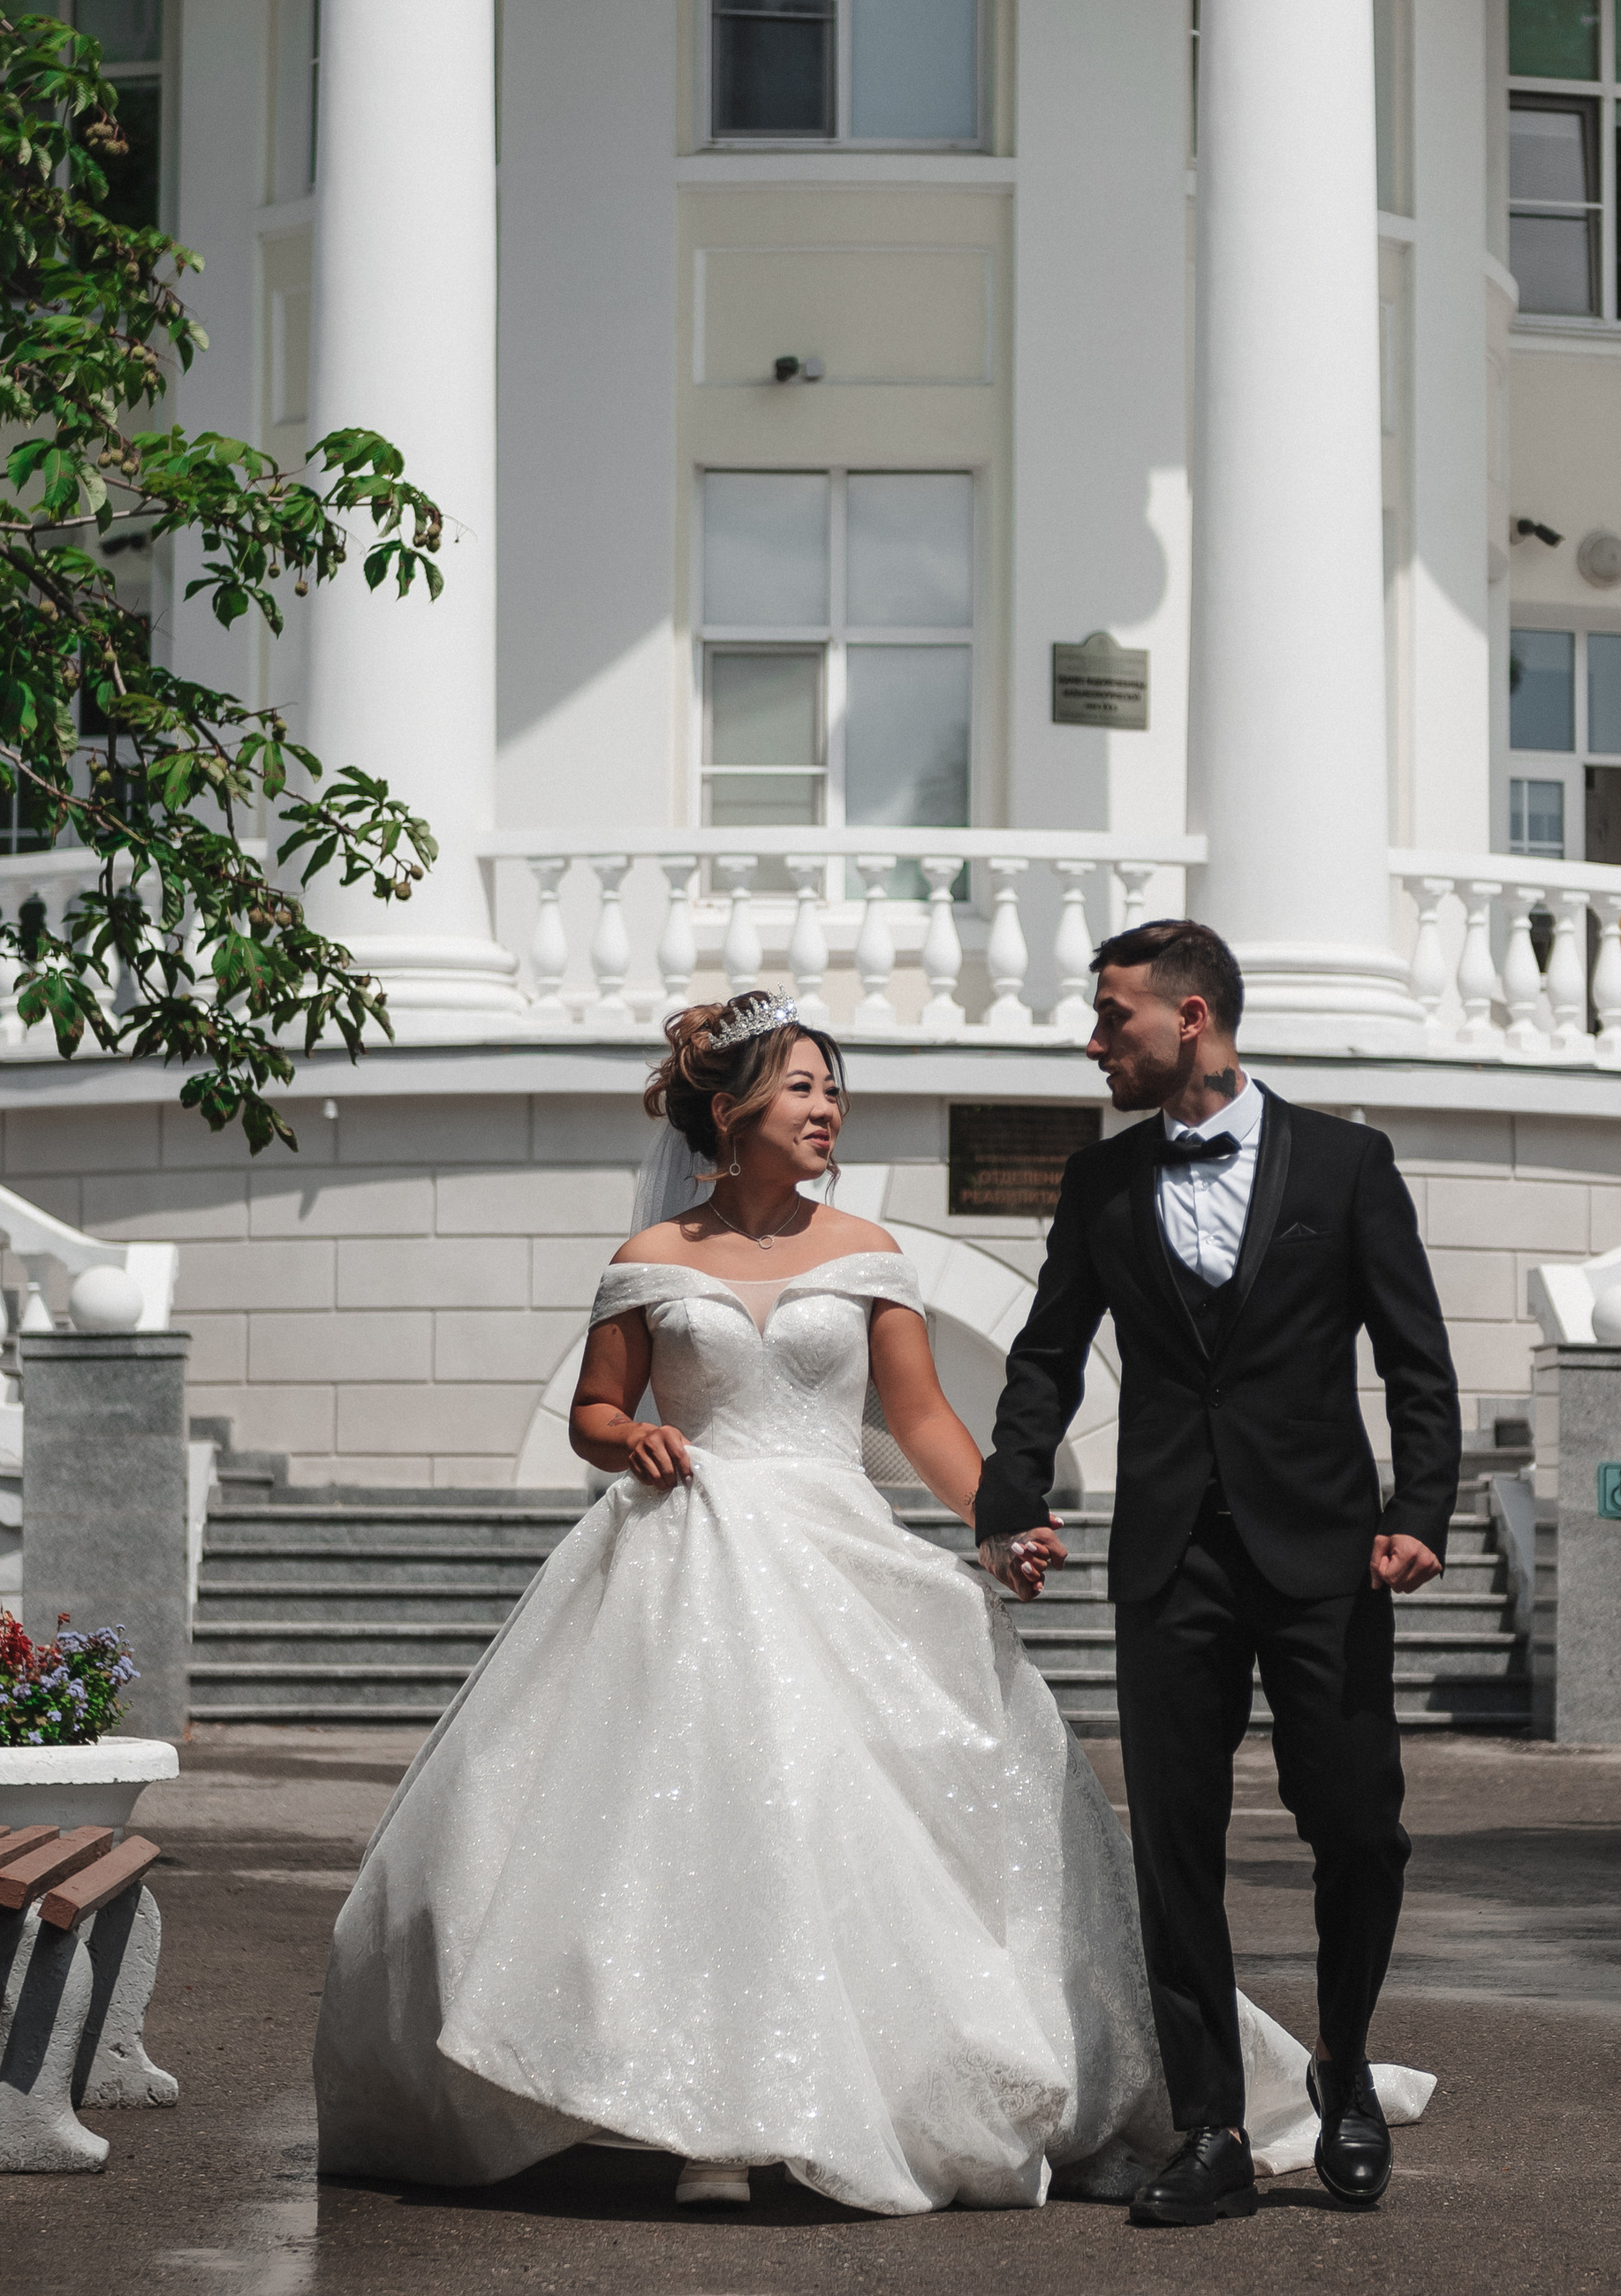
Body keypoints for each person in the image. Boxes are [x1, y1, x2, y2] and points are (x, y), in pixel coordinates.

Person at [313, 989, 1327, 2216]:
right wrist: (631, 1437)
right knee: (691, 1819)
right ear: (731, 1111)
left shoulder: (866, 1252)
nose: (828, 1108)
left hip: (832, 1550)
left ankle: (854, 2092)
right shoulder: (649, 1261)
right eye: (802, 1086)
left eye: (834, 1089)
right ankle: (696, 2108)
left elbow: (921, 1418)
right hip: (686, 1555)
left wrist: (998, 1519)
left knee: (837, 1812)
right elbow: (592, 1411)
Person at [975, 919, 1459, 2227]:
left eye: (1113, 1017)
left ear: (1189, 1016)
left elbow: (1415, 1357)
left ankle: (1344, 2069)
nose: (1095, 1042)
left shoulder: (1348, 1165)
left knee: (1357, 1824)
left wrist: (1421, 1505)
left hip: (1325, 1549)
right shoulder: (1102, 1181)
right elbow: (1047, 1352)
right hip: (1170, 1551)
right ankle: (1213, 2128)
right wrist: (1010, 1492)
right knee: (1175, 1841)